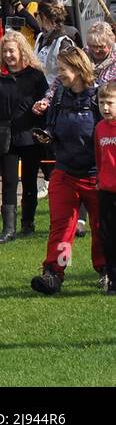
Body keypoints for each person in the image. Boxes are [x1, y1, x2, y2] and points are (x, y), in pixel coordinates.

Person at [31, 47, 104, 295]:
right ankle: (55, 273)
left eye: (63, 69)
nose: (58, 74)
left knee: (101, 226)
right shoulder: (60, 96)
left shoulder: (98, 98)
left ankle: (105, 271)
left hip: (96, 175)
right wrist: (46, 136)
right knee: (63, 226)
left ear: (78, 69)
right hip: (65, 172)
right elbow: (51, 125)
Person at [0, 31, 49, 244]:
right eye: (5, 51)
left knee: (29, 181)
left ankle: (27, 224)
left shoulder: (35, 76)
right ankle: (8, 229)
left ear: (21, 51)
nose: (9, 55)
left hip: (30, 135)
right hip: (5, 136)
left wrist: (43, 113)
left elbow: (47, 101)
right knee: (9, 182)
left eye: (12, 50)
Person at [97, 81, 116, 295]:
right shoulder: (100, 128)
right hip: (105, 191)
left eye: (110, 103)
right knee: (107, 237)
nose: (105, 107)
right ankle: (112, 279)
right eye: (102, 103)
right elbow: (99, 156)